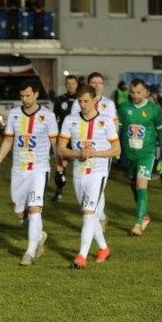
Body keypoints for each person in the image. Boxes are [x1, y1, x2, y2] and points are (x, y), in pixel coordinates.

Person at [0, 80, 58, 265]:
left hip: (39, 169)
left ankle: (29, 252)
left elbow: (55, 144)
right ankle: (40, 235)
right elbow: (8, 141)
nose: (25, 99)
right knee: (21, 215)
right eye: (21, 96)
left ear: (36, 94)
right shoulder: (13, 115)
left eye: (28, 95)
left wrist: (60, 168)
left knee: (34, 209)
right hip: (19, 170)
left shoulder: (48, 116)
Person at [57, 84, 120, 268]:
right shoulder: (70, 120)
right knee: (89, 215)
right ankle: (103, 248)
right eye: (80, 101)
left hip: (98, 173)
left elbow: (116, 149)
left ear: (94, 101)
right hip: (79, 172)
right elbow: (61, 149)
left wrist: (95, 153)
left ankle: (81, 257)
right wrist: (78, 154)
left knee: (88, 213)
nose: (83, 105)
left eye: (86, 101)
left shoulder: (106, 121)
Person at [117, 78, 162, 236]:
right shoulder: (124, 107)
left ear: (146, 92)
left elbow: (161, 131)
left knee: (141, 185)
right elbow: (118, 131)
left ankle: (138, 223)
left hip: (147, 154)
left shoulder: (154, 109)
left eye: (138, 92)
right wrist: (116, 149)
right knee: (134, 186)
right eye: (132, 92)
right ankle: (144, 215)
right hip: (130, 155)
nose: (135, 95)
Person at [68, 72, 118, 229]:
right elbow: (73, 125)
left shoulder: (108, 104)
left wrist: (112, 145)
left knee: (99, 185)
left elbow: (114, 125)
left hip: (102, 153)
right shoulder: (78, 104)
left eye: (100, 82)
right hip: (82, 151)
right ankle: (98, 217)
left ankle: (96, 219)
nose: (97, 85)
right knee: (86, 188)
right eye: (94, 83)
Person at [52, 75, 80, 201]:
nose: (70, 86)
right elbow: (54, 118)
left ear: (76, 84)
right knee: (61, 165)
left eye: (73, 83)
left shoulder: (81, 99)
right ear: (65, 85)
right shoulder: (59, 100)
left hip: (79, 136)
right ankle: (59, 191)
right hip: (64, 136)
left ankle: (84, 190)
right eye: (68, 84)